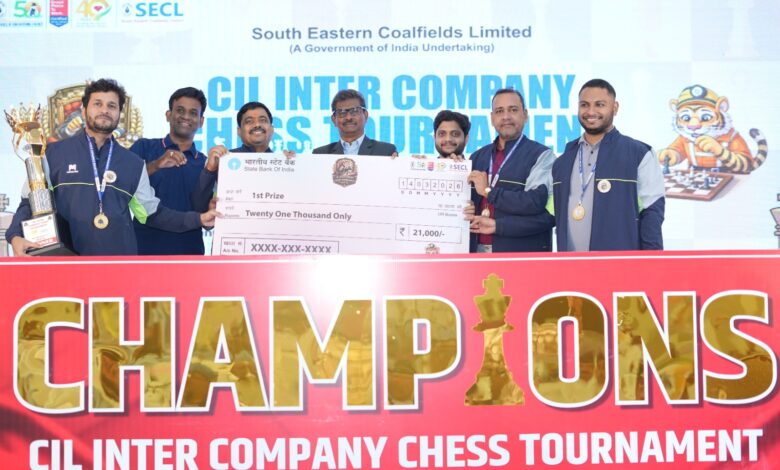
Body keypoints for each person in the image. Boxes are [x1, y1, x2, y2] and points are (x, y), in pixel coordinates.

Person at [6, 78, 218, 256]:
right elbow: (30, 200)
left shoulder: (133, 164)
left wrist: (199, 218)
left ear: (119, 114)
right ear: (84, 110)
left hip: (118, 269)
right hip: (65, 262)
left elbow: (152, 214)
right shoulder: (54, 154)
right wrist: (15, 235)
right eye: (97, 104)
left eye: (112, 106)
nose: (104, 111)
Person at [550, 78, 665, 251]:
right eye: (584, 105)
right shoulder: (563, 160)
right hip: (570, 264)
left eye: (600, 104)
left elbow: (652, 213)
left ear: (615, 108)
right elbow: (552, 214)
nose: (591, 111)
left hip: (619, 264)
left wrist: (652, 261)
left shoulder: (639, 153)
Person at [465, 88, 555, 253]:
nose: (506, 116)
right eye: (499, 111)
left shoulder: (542, 155)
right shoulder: (477, 157)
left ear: (525, 115)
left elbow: (535, 202)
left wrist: (489, 192)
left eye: (513, 110)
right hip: (476, 254)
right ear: (492, 118)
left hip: (519, 255)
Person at [129, 87, 208, 255]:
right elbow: (123, 184)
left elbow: (208, 217)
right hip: (143, 251)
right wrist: (156, 165)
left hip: (190, 254)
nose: (186, 117)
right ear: (168, 115)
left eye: (193, 113)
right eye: (180, 110)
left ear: (201, 121)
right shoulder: (143, 147)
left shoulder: (205, 164)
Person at [194, 102, 286, 211]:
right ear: (239, 131)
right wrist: (210, 170)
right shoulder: (222, 161)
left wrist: (294, 165)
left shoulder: (285, 165)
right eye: (249, 121)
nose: (257, 125)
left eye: (263, 120)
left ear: (272, 129)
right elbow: (198, 207)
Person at [313, 89, 397, 156]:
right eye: (342, 113)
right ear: (334, 119)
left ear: (365, 115)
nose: (348, 117)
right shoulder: (320, 154)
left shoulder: (385, 151)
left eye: (354, 111)